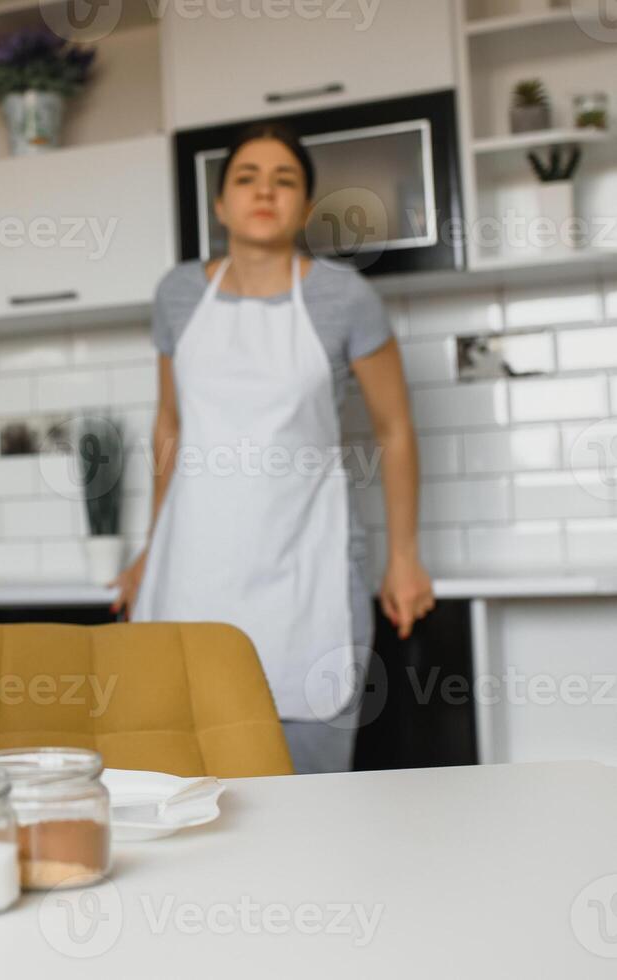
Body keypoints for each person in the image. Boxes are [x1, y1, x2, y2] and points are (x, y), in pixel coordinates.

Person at [111, 123, 435, 774]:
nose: (266, 191)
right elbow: (170, 424)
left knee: (305, 802)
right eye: (247, 179)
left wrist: (404, 558)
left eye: (284, 180)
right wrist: (151, 548)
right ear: (221, 205)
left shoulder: (345, 298)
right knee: (178, 787)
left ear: (306, 208)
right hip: (191, 571)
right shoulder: (178, 294)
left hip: (304, 568)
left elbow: (395, 429)